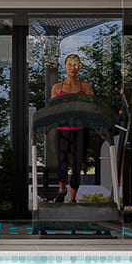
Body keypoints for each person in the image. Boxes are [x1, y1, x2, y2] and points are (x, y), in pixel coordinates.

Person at [48, 53, 93, 204]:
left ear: (79, 67)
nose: (72, 68)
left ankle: (73, 198)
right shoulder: (57, 87)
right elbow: (55, 109)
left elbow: (89, 106)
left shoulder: (85, 87)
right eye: (69, 64)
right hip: (62, 130)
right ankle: (62, 189)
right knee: (62, 164)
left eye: (75, 64)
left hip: (80, 130)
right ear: (65, 66)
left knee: (76, 165)